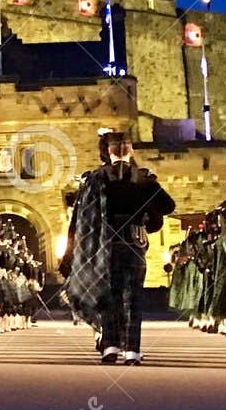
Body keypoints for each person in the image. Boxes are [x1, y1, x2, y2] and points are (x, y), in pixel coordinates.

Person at [68, 130, 175, 366]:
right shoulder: (142, 179)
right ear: (131, 151)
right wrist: (146, 208)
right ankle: (132, 351)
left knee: (110, 297)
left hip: (104, 246)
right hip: (134, 244)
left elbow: (81, 218)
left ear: (108, 151)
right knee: (133, 298)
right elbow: (168, 207)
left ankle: (110, 347)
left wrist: (72, 253)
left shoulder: (96, 179)